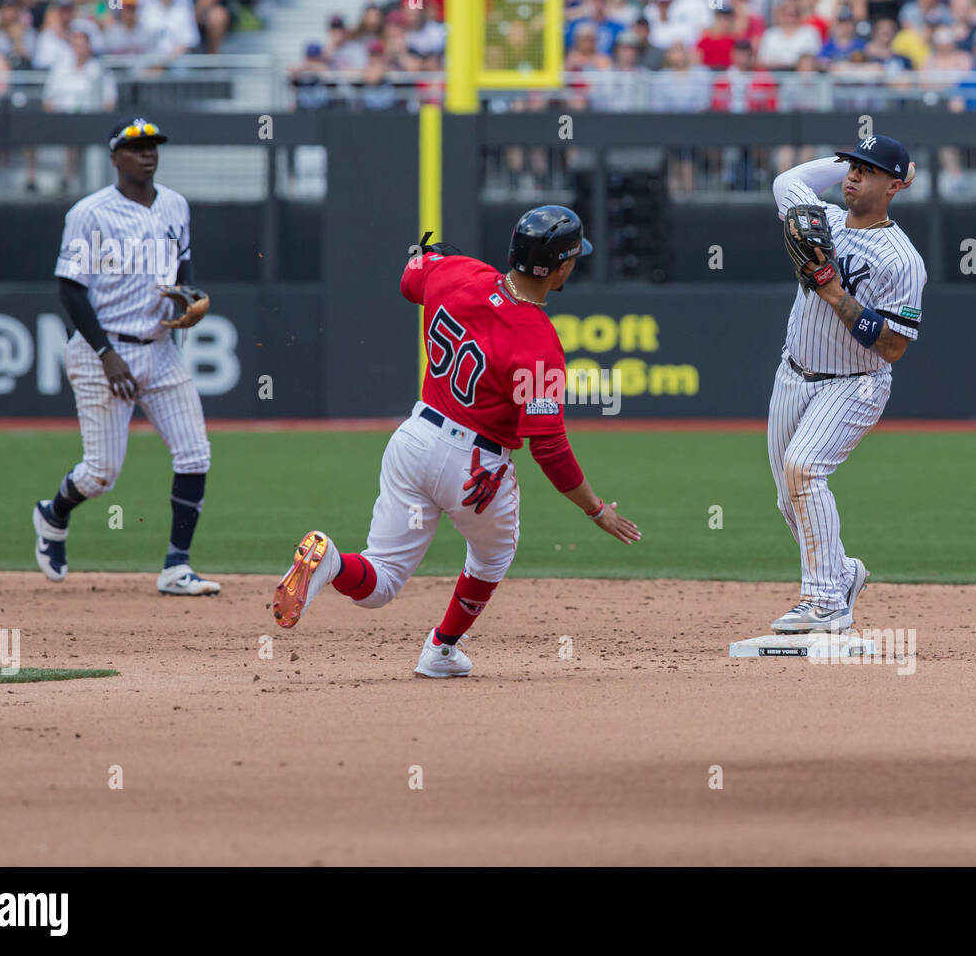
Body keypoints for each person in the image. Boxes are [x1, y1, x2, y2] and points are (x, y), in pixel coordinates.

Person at [268, 208, 641, 678]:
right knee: (492, 556)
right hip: (475, 468)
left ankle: (331, 561)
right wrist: (596, 509)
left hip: (415, 439)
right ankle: (441, 648)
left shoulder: (460, 272)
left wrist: (430, 258)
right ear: (562, 268)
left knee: (379, 580)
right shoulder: (538, 343)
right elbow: (547, 447)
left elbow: (410, 280)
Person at [31, 118, 220, 597]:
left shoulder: (176, 205)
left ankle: (177, 566)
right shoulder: (90, 213)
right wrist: (104, 353)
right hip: (103, 349)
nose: (147, 153)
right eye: (135, 147)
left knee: (196, 453)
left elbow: (184, 266)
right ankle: (53, 515)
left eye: (152, 145)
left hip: (159, 350)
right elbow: (69, 290)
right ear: (114, 157)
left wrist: (189, 297)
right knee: (100, 474)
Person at [767, 136, 925, 633]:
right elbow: (786, 181)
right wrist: (842, 164)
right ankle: (841, 574)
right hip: (793, 373)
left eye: (869, 170)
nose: (855, 176)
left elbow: (894, 346)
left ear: (895, 185)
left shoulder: (902, 260)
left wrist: (834, 293)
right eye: (854, 165)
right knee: (788, 495)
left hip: (855, 383)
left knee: (803, 469)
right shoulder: (826, 220)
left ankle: (824, 600)